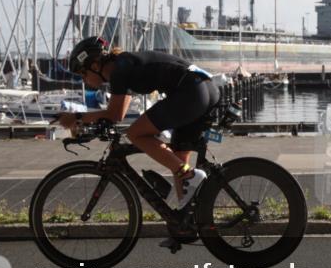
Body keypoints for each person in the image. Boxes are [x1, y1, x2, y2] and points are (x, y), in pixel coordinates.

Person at [54, 37, 220, 209]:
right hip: (206, 88)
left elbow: (114, 114)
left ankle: (188, 175)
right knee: (177, 158)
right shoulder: (124, 65)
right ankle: (187, 222)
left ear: (95, 66)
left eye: (83, 74)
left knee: (135, 134)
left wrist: (75, 118)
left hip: (191, 92)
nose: (83, 80)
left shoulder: (120, 70)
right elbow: (119, 114)